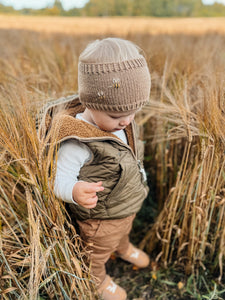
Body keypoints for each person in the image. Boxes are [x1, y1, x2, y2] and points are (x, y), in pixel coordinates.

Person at [52, 37, 151, 300]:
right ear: (91, 103)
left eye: (133, 112)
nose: (127, 121)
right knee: (96, 252)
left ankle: (123, 247)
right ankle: (97, 280)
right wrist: (73, 190)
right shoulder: (77, 142)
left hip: (124, 207)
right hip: (100, 219)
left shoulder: (121, 121)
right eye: (117, 116)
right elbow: (58, 179)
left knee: (122, 231)